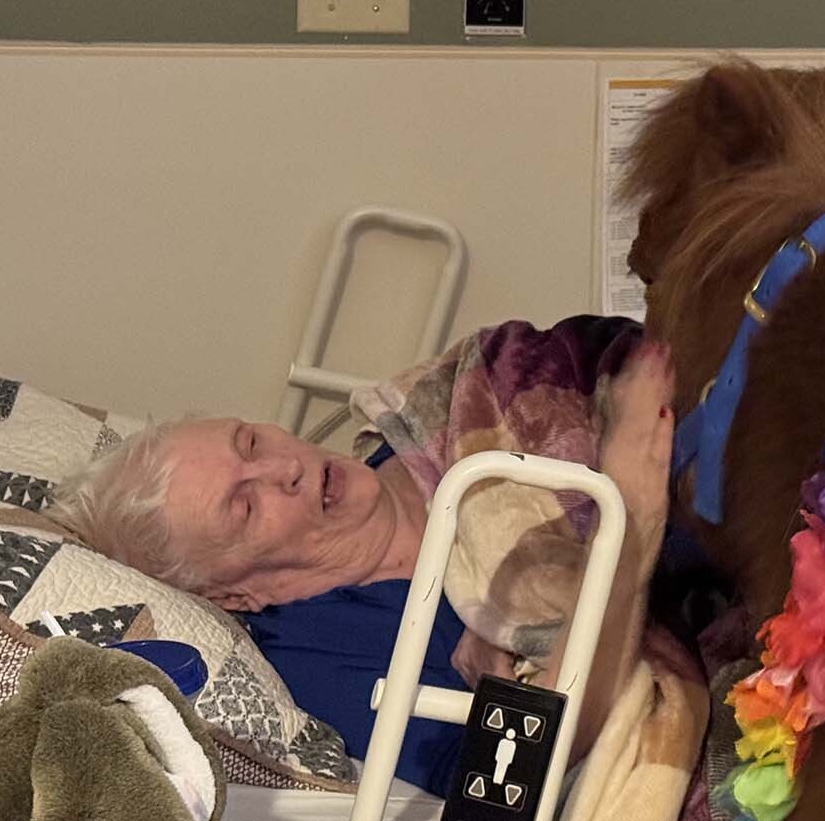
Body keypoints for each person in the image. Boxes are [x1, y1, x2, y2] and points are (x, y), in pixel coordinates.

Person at [45, 340, 675, 797]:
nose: (283, 469)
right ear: (234, 592)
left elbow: (539, 364)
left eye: (251, 442)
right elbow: (509, 778)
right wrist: (631, 519)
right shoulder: (321, 659)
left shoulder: (417, 433)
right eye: (244, 504)